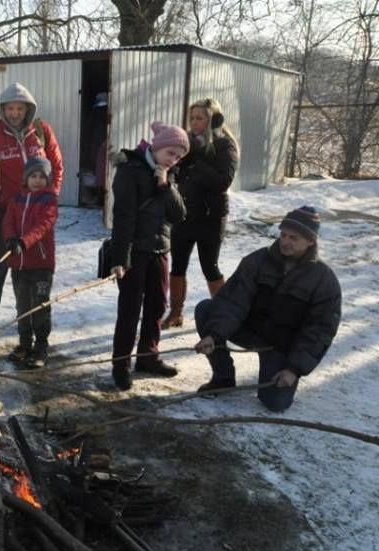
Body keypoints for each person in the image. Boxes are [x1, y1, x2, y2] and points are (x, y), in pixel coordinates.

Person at [194, 206, 341, 412]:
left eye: (294, 238)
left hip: (281, 347)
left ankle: (277, 372)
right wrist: (215, 335)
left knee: (275, 403)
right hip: (250, 330)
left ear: (311, 241)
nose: (286, 242)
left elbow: (320, 331)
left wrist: (293, 369)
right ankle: (223, 378)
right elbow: (232, 300)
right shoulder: (258, 260)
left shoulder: (324, 280)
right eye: (283, 235)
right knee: (206, 310)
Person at [108, 122, 188, 391]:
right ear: (156, 147)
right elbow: (123, 218)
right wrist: (120, 258)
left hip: (159, 249)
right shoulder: (130, 170)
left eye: (178, 156)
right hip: (134, 252)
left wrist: (166, 185)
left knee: (157, 306)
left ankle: (148, 356)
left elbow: (179, 215)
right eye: (170, 153)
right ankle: (121, 365)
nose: (173, 159)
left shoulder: (168, 174)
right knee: (129, 310)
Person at [0, 82, 63, 317]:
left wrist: (51, 196)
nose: (15, 114)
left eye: (20, 109)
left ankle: (31, 319)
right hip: (8, 210)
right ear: (2, 110)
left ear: (28, 109)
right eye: (10, 109)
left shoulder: (41, 131)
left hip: (38, 209)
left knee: (35, 265)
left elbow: (56, 165)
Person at [163, 98, 240, 328]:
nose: (194, 123)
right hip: (185, 214)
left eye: (200, 118)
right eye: (192, 118)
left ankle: (224, 316)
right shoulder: (187, 142)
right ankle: (175, 313)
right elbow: (171, 167)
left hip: (211, 217)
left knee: (210, 266)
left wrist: (197, 160)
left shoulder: (225, 145)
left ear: (212, 119)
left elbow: (223, 181)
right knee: (177, 265)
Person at [2, 157, 58, 368]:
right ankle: (25, 343)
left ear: (48, 179)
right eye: (33, 176)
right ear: (26, 178)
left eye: (42, 176)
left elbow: (43, 226)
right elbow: (8, 221)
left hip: (41, 265)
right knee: (23, 305)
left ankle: (41, 347)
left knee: (40, 306)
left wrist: (24, 242)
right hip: (19, 265)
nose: (37, 180)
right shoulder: (16, 199)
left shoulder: (49, 200)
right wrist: (10, 239)